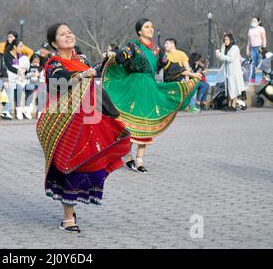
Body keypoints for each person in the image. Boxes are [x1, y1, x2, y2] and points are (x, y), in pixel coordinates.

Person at [37, 23, 131, 233]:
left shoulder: (82, 60)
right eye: (62, 34)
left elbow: (94, 79)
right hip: (65, 124)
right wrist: (80, 76)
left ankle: (73, 207)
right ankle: (68, 217)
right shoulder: (53, 63)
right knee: (69, 165)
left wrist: (108, 60)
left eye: (69, 32)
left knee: (88, 164)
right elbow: (58, 80)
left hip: (89, 121)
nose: (68, 35)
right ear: (54, 43)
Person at [102, 19, 201, 173]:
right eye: (146, 27)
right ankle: (128, 156)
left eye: (152, 26)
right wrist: (112, 54)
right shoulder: (133, 46)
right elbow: (122, 56)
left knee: (146, 123)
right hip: (133, 87)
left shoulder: (157, 50)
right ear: (139, 31)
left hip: (149, 88)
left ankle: (140, 160)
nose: (151, 29)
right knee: (128, 124)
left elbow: (171, 67)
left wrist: (192, 73)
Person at [216, 33, 247, 111]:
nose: (225, 41)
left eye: (227, 39)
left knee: (235, 88)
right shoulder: (226, 48)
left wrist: (220, 55)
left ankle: (233, 106)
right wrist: (222, 49)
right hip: (228, 72)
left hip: (235, 71)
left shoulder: (235, 48)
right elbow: (222, 58)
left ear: (231, 40)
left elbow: (230, 59)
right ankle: (229, 104)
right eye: (224, 40)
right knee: (230, 89)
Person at [3, 39, 32, 120]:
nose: (22, 48)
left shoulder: (21, 55)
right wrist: (19, 71)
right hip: (9, 78)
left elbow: (27, 68)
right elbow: (9, 66)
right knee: (18, 87)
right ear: (14, 47)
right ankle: (18, 109)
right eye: (20, 46)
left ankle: (27, 108)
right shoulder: (7, 54)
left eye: (22, 46)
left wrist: (25, 70)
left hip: (20, 78)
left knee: (31, 87)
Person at [25, 54, 46, 119]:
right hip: (30, 82)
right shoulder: (29, 67)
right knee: (31, 88)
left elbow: (43, 78)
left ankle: (40, 111)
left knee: (42, 91)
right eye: (34, 61)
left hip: (38, 83)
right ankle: (27, 108)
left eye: (37, 61)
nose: (36, 62)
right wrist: (31, 74)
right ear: (32, 60)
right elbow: (25, 76)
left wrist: (39, 75)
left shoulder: (41, 68)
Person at [247, 17, 267, 84]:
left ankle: (264, 78)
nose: (253, 21)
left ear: (259, 22)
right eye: (252, 20)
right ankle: (252, 78)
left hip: (260, 48)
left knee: (262, 64)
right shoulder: (250, 30)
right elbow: (249, 41)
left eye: (255, 21)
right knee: (253, 64)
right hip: (253, 49)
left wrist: (263, 48)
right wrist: (247, 49)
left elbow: (264, 39)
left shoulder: (261, 29)